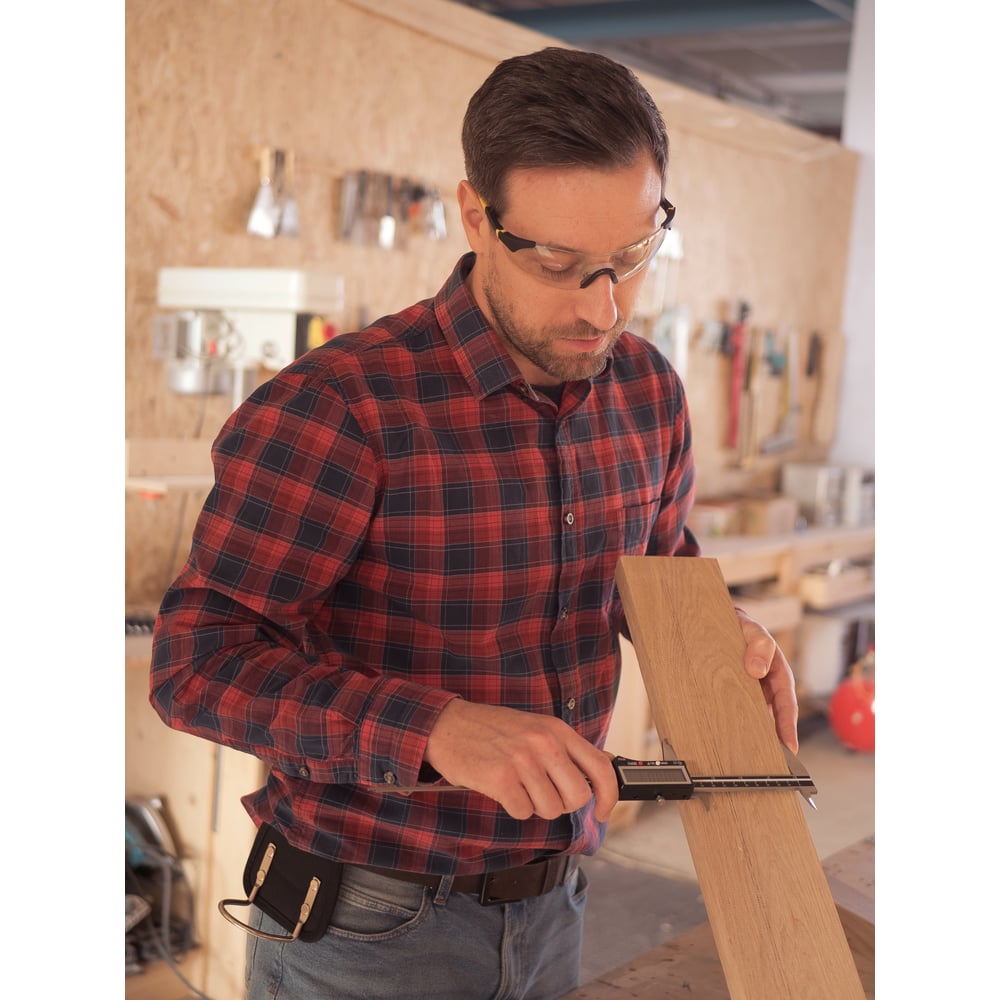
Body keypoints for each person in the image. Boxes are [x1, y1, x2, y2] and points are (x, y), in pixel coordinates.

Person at [150, 46, 798, 1000]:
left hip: (556, 905)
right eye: (559, 263)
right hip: (365, 927)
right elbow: (195, 665)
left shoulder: (648, 391)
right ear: (473, 216)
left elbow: (658, 577)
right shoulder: (342, 408)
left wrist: (721, 640)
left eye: (631, 258)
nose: (603, 307)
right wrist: (437, 730)